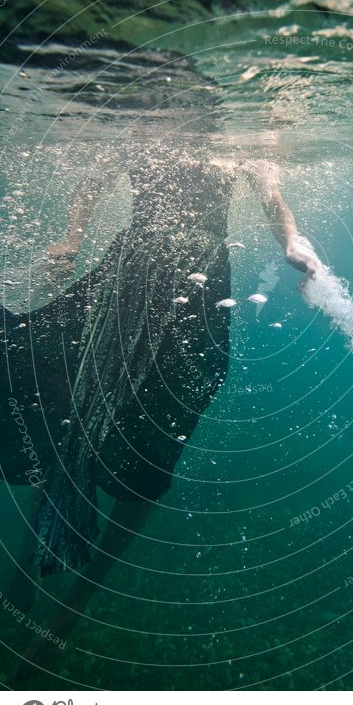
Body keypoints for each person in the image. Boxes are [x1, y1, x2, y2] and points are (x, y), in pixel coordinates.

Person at [1, 132, 318, 672]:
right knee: (60, 385)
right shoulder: (139, 127)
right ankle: (29, 562)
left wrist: (291, 241)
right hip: (128, 266)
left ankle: (72, 611)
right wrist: (72, 238)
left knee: (160, 430)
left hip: (200, 283)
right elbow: (94, 180)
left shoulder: (239, 133)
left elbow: (270, 194)